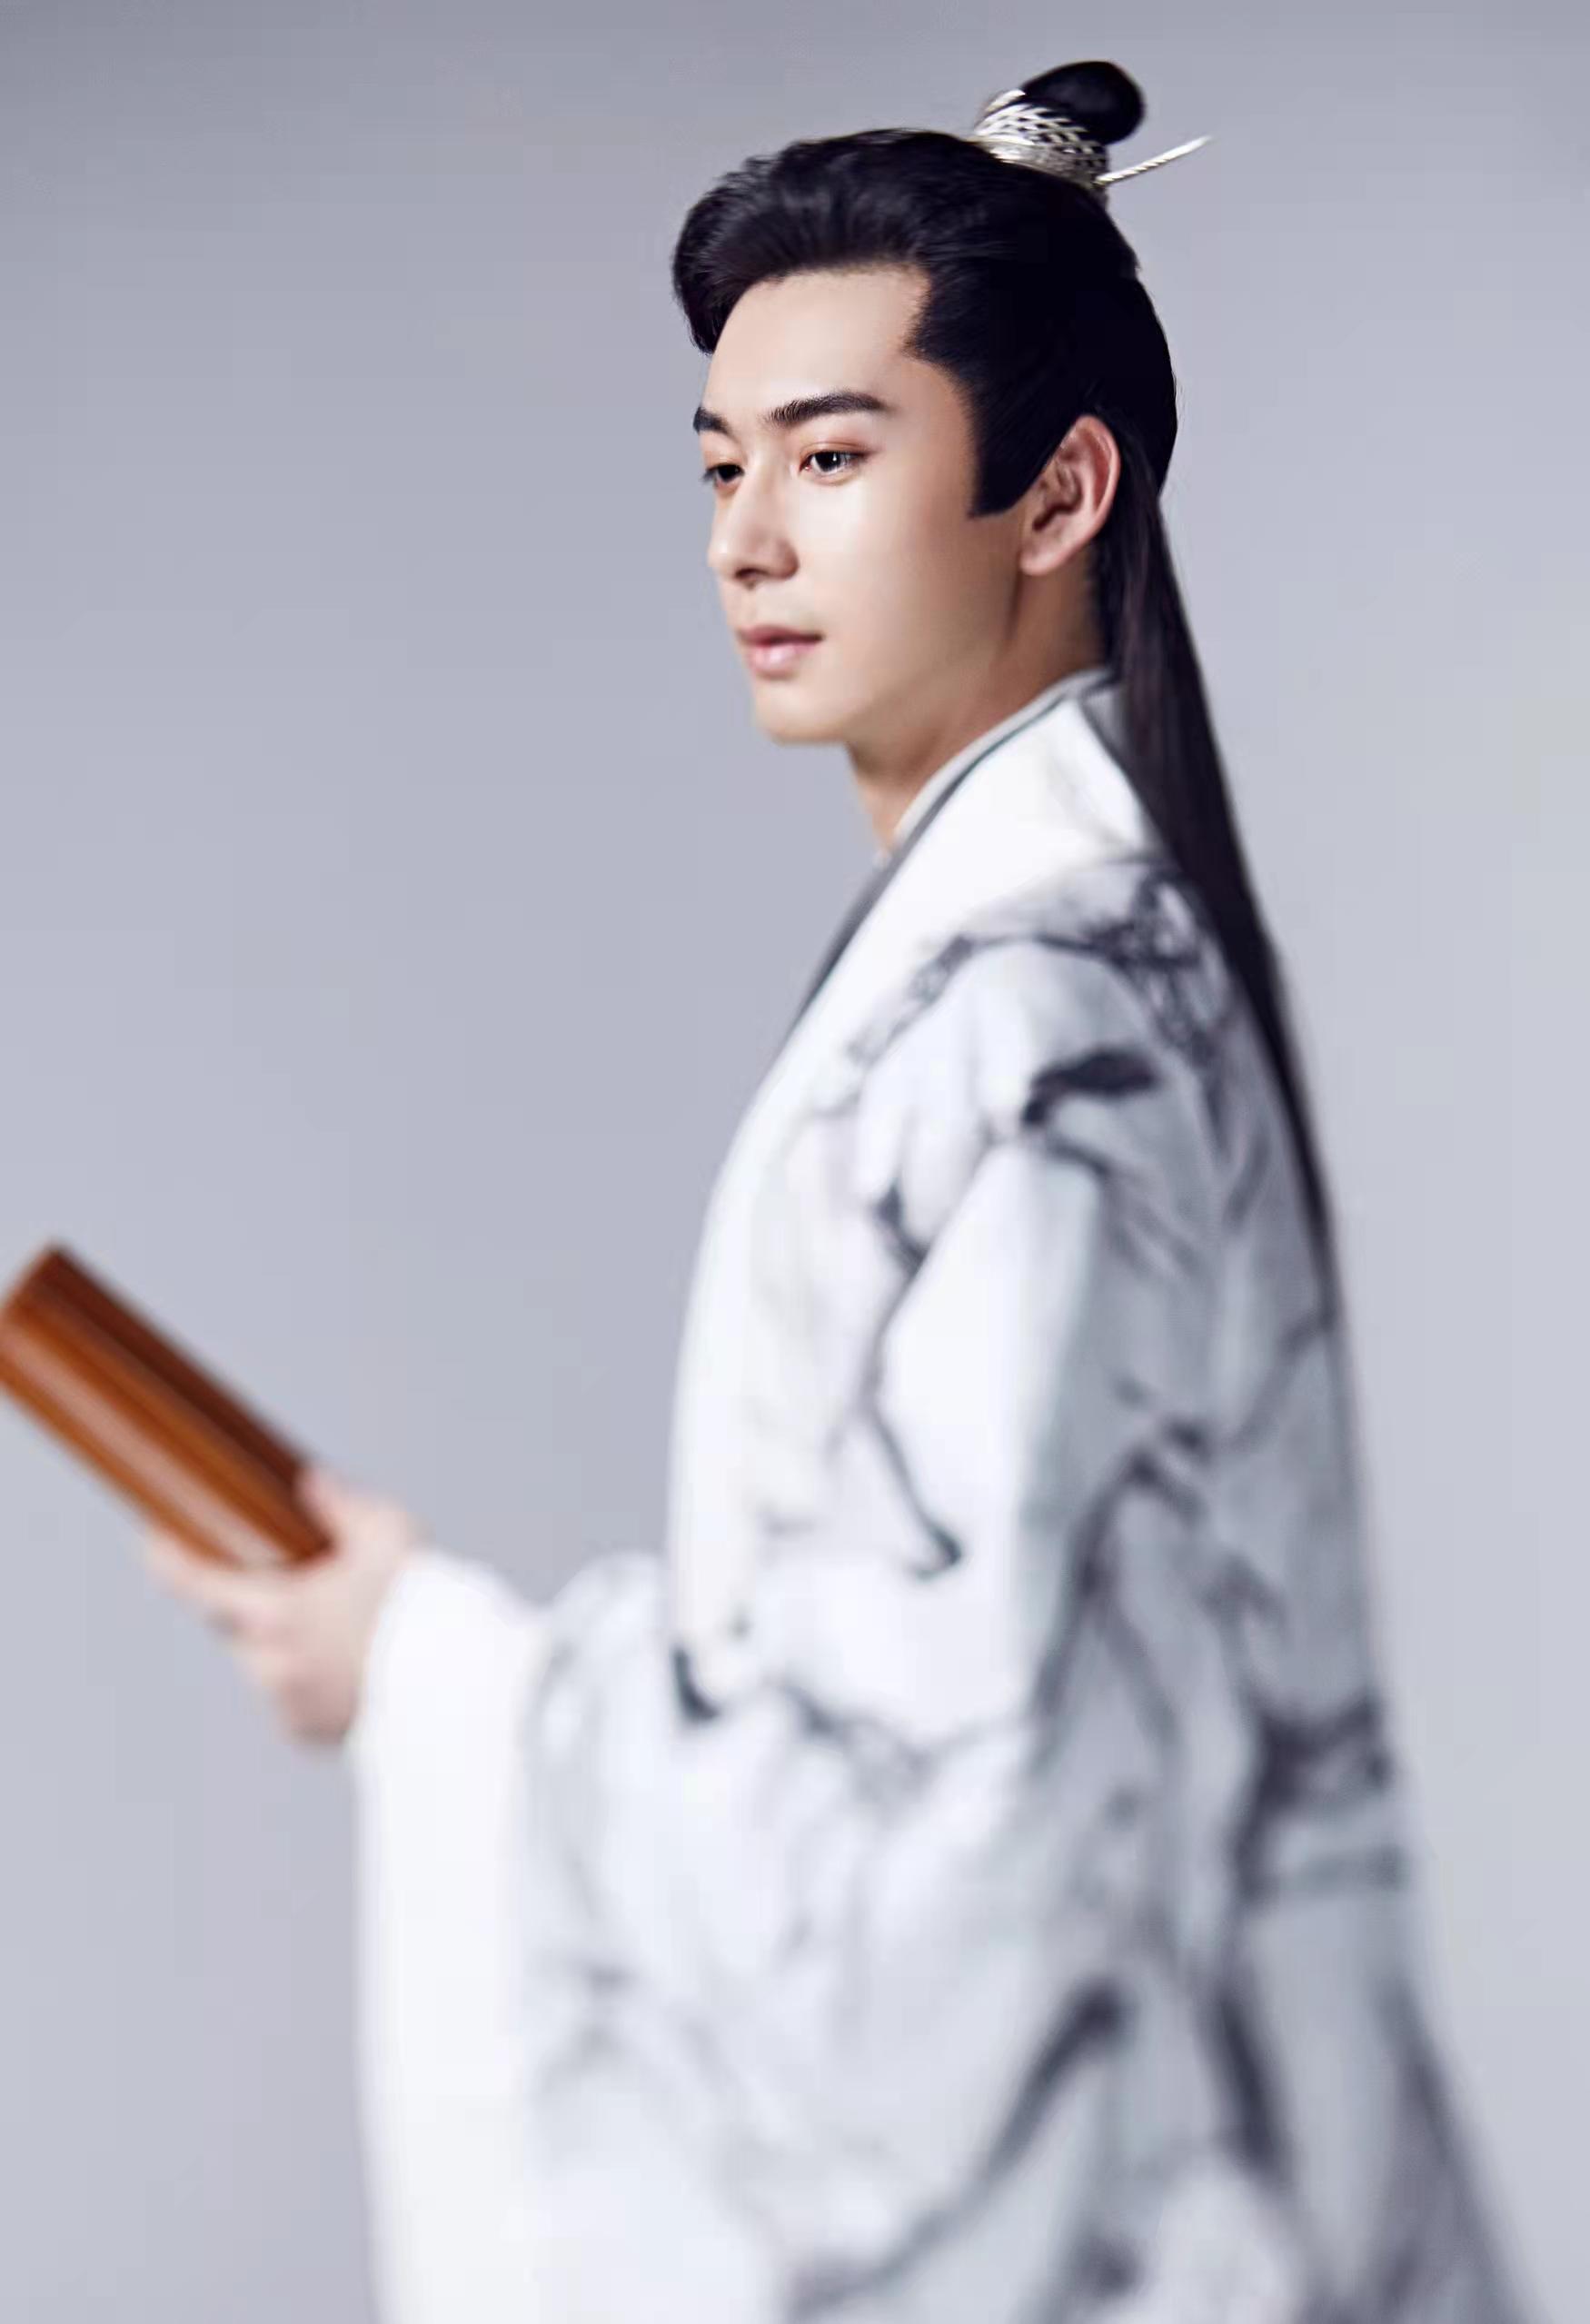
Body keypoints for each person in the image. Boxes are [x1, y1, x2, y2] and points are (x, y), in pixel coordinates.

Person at [142, 57, 1527, 2324]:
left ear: (1057, 489)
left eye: (832, 455)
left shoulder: (1036, 1019)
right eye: (720, 464)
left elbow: (966, 1829)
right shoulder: (1053, 969)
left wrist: (425, 1671)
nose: (744, 540)